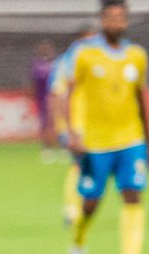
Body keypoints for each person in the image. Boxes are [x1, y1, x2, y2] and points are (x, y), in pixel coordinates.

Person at [61, 0, 149, 254]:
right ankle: (78, 245)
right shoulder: (84, 54)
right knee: (90, 205)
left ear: (127, 21)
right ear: (102, 19)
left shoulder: (137, 56)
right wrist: (74, 132)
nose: (116, 22)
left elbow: (140, 99)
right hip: (95, 142)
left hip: (131, 139)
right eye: (110, 17)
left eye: (120, 17)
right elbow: (72, 94)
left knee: (133, 196)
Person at [49, 24, 99, 228]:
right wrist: (60, 126)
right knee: (79, 165)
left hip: (93, 125)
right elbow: (57, 95)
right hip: (74, 125)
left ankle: (80, 207)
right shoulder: (66, 62)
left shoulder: (97, 60)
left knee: (89, 167)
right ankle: (72, 210)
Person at [31, 40, 59, 160]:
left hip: (52, 98)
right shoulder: (40, 66)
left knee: (55, 123)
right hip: (44, 99)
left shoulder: (55, 65)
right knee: (46, 124)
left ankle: (56, 147)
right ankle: (46, 148)